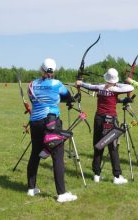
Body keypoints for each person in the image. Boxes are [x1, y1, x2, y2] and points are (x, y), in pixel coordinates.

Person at [27, 58, 77, 203]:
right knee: (57, 156)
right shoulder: (57, 84)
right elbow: (67, 97)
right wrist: (72, 98)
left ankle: (31, 188)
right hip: (51, 122)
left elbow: (34, 99)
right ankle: (61, 194)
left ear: (41, 69)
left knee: (35, 153)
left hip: (35, 122)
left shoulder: (32, 84)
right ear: (53, 71)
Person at [76, 68, 134, 184]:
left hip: (98, 119)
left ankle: (96, 175)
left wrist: (80, 83)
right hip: (110, 120)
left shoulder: (100, 87)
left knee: (98, 145)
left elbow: (88, 86)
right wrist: (116, 84)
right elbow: (130, 87)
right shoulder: (115, 89)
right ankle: (117, 177)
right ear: (115, 79)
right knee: (113, 147)